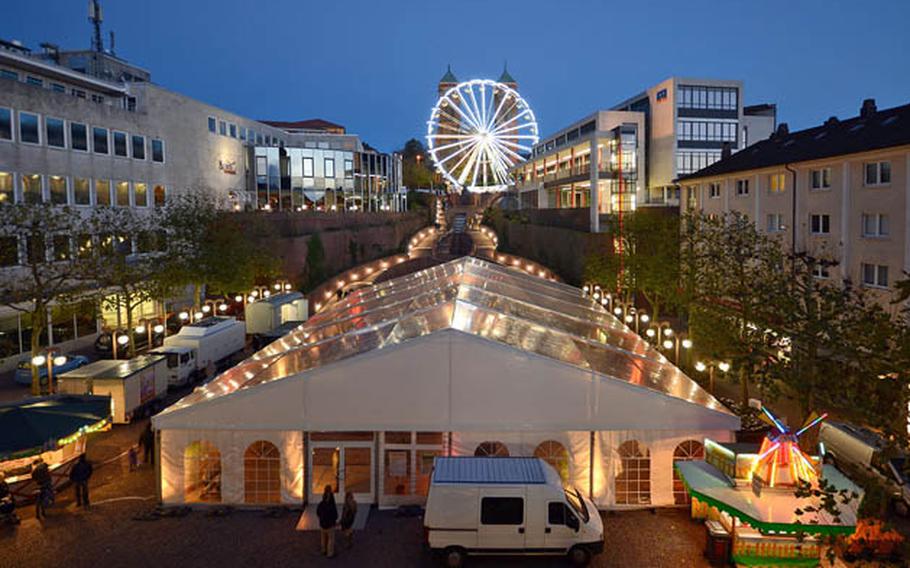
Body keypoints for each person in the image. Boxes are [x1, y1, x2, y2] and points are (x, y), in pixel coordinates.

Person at [316, 485, 338, 558]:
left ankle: (323, 550)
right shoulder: (331, 504)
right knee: (331, 539)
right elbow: (335, 513)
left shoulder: (321, 504)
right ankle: (330, 553)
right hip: (330, 524)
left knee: (323, 538)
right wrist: (334, 520)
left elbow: (318, 512)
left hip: (323, 523)